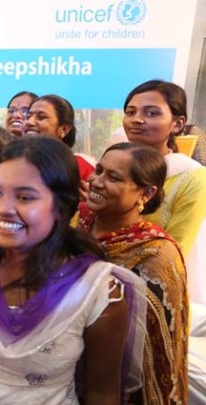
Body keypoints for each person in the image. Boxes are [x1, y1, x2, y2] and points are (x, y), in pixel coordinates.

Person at [0, 137, 147, 404]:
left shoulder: (99, 290)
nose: (3, 209)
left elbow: (102, 391)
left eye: (25, 197)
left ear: (61, 208)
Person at [77, 142, 188, 403]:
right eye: (99, 170)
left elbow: (159, 344)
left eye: (113, 177)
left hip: (119, 383)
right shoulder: (77, 222)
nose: (96, 182)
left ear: (146, 193)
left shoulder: (157, 255)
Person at [122, 80, 206, 307]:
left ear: (177, 124)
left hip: (159, 294)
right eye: (131, 112)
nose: (137, 119)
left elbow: (176, 249)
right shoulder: (115, 168)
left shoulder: (191, 176)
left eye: (151, 113)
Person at [23, 94, 96, 183]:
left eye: (41, 117)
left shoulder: (80, 168)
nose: (29, 122)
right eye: (28, 117)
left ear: (64, 129)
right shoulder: (13, 163)